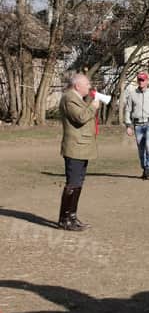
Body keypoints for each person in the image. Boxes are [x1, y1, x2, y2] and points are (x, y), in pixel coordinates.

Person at [58, 73, 100, 231]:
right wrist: (93, 107)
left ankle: (72, 217)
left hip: (81, 147)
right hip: (75, 147)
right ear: (77, 86)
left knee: (78, 184)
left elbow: (83, 113)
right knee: (72, 184)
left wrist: (90, 103)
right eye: (87, 84)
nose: (89, 87)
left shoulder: (77, 98)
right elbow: (80, 117)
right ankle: (65, 219)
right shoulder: (69, 98)